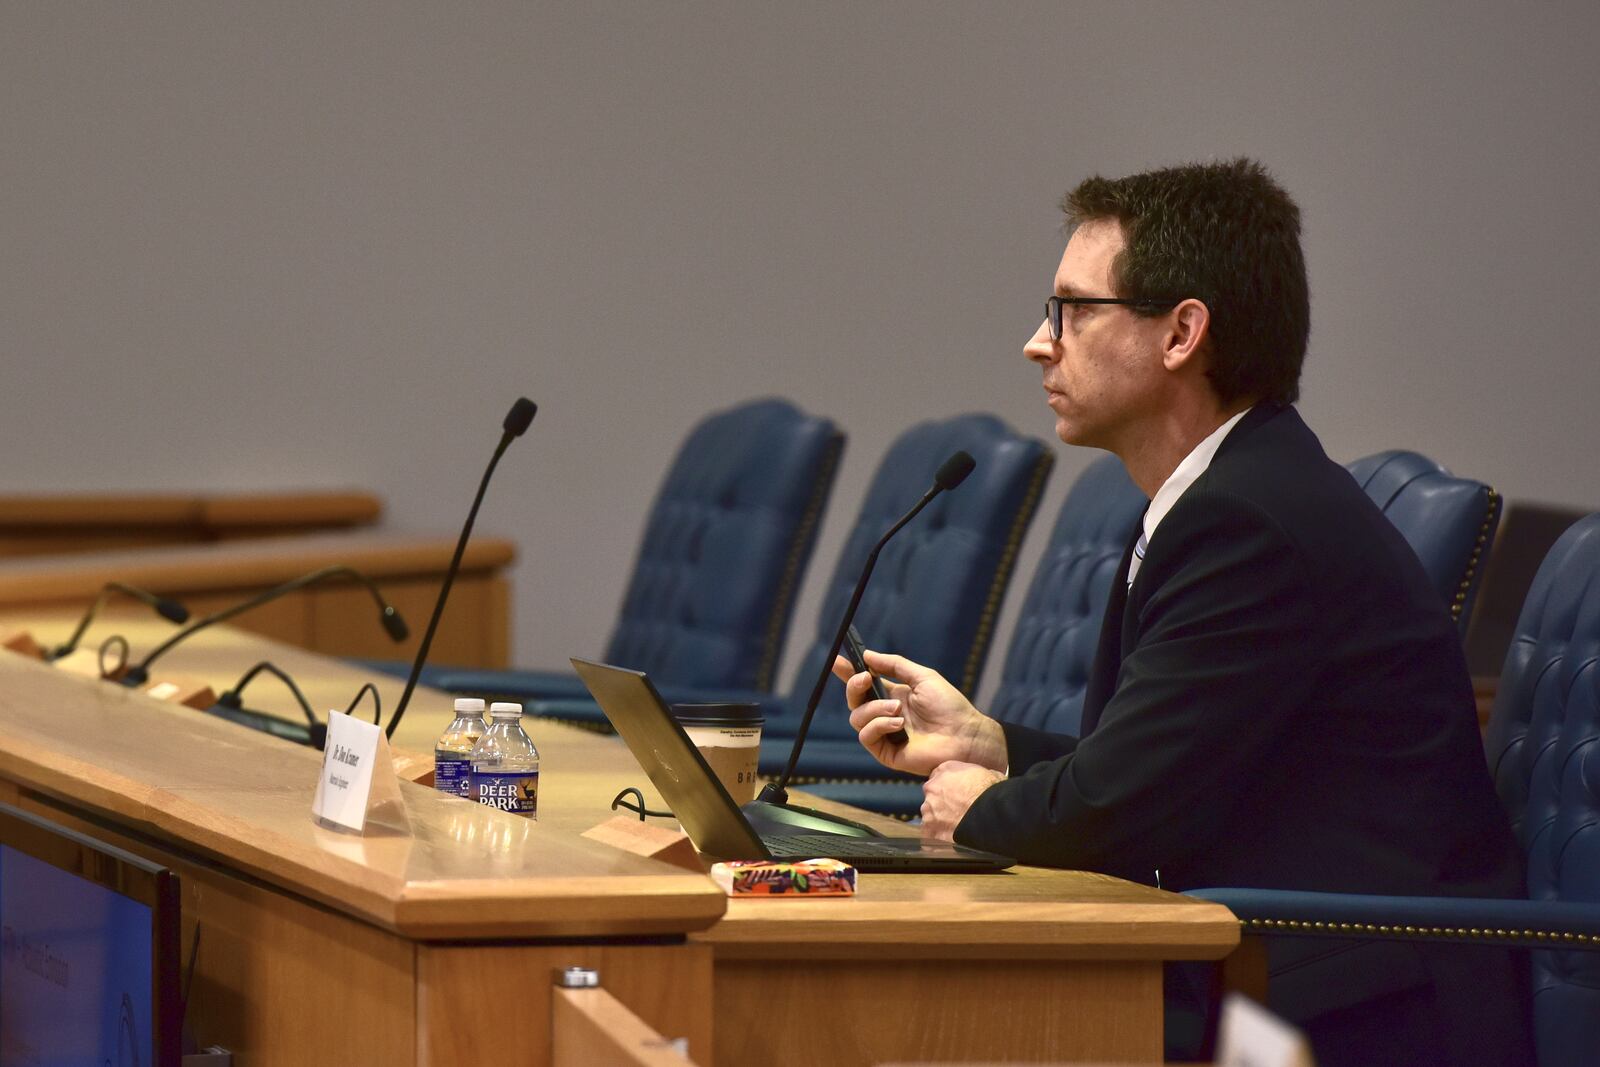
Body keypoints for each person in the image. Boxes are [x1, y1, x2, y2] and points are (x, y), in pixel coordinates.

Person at [833, 159, 1532, 1066]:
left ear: (1181, 333)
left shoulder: (1249, 520)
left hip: (1351, 1002)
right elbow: (1169, 764)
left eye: (1071, 311)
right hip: (1275, 959)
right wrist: (990, 745)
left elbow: (1123, 810)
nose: (1037, 344)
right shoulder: (1223, 493)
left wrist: (979, 810)